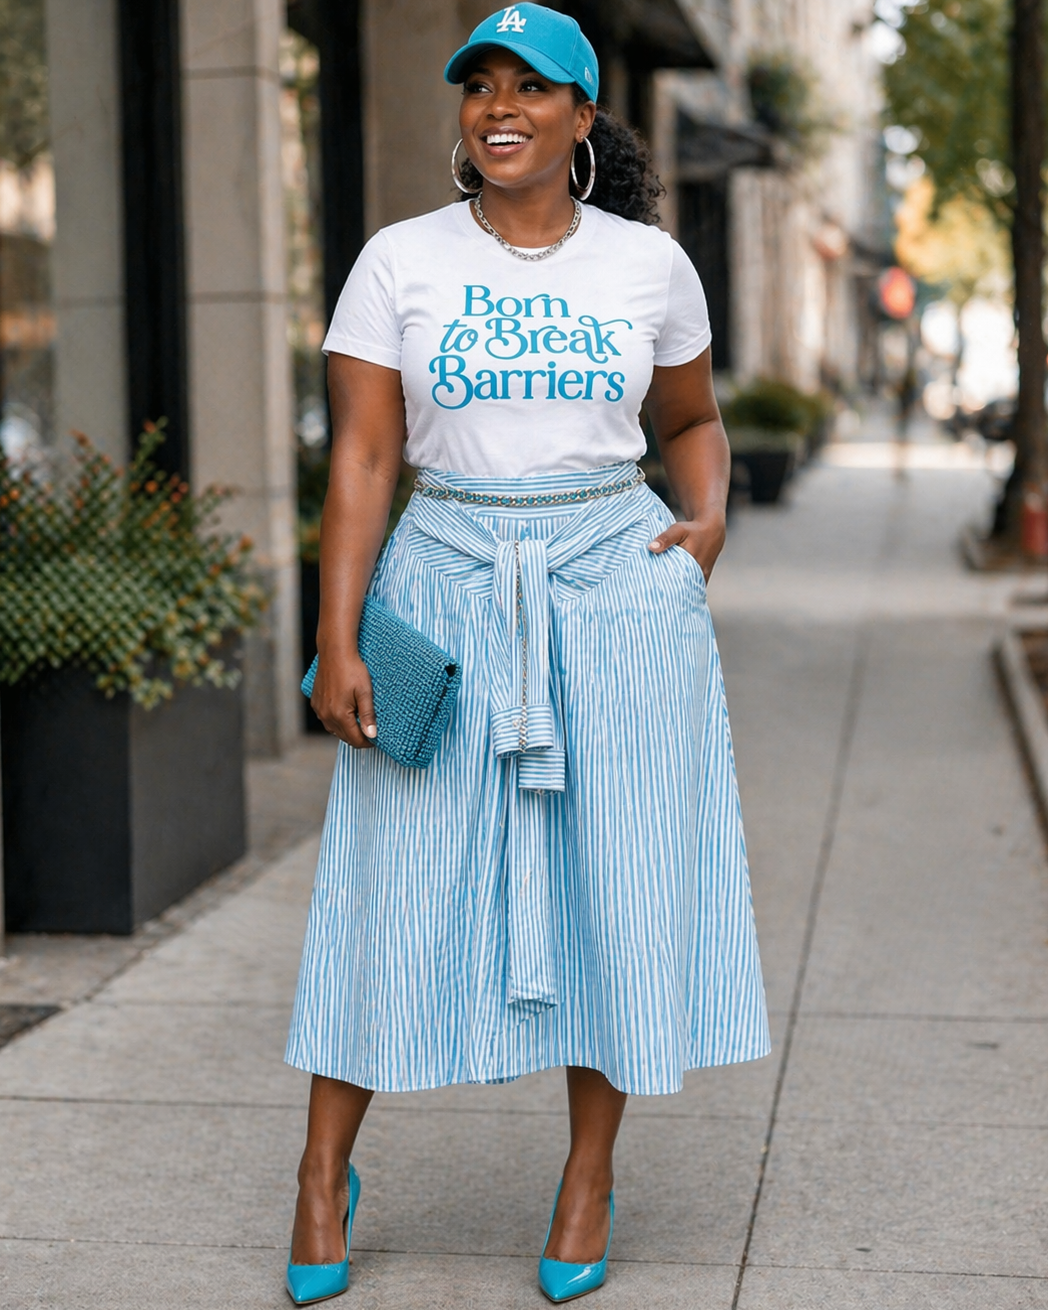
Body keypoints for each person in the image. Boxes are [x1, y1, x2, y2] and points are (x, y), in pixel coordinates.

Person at [284, 5, 769, 1304]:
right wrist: (335, 637)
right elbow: (368, 460)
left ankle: (587, 1174)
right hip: (444, 588)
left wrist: (706, 520)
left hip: (613, 592)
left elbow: (693, 419)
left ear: (579, 117)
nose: (500, 106)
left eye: (530, 88)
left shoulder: (649, 267)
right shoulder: (400, 259)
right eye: (479, 86)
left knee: (609, 880)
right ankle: (324, 1171)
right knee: (391, 881)